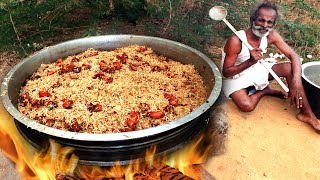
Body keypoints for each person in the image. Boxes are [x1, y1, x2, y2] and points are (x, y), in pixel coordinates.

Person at [221, 1, 320, 131]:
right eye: (261, 20)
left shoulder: (271, 35)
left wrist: (296, 81)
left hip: (256, 67)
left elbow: (293, 55)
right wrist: (249, 62)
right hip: (236, 75)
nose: (264, 26)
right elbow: (226, 72)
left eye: (269, 22)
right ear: (252, 20)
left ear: (273, 24)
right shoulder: (236, 41)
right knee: (246, 105)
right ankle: (265, 90)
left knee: (291, 69)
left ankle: (307, 114)